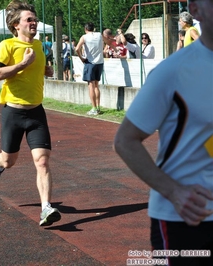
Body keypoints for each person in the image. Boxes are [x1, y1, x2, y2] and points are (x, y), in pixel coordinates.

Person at [114, 0, 213, 265]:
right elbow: (125, 140)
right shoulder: (172, 72)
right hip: (186, 220)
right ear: (195, 10)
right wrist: (173, 192)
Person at [0, 0, 60, 227]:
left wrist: (46, 70)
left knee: (43, 161)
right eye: (29, 20)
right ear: (16, 25)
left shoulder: (40, 46)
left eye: (35, 20)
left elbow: (41, 70)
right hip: (13, 114)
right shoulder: (6, 45)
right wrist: (23, 64)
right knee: (9, 160)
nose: (34, 22)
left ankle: (46, 208)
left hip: (36, 113)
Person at [75, 23, 115, 115]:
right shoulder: (99, 35)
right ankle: (98, 107)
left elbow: (77, 48)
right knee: (96, 85)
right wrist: (115, 48)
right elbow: (108, 42)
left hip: (90, 63)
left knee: (91, 86)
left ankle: (93, 108)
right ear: (94, 28)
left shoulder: (84, 37)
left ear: (85, 29)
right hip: (99, 63)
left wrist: (81, 58)